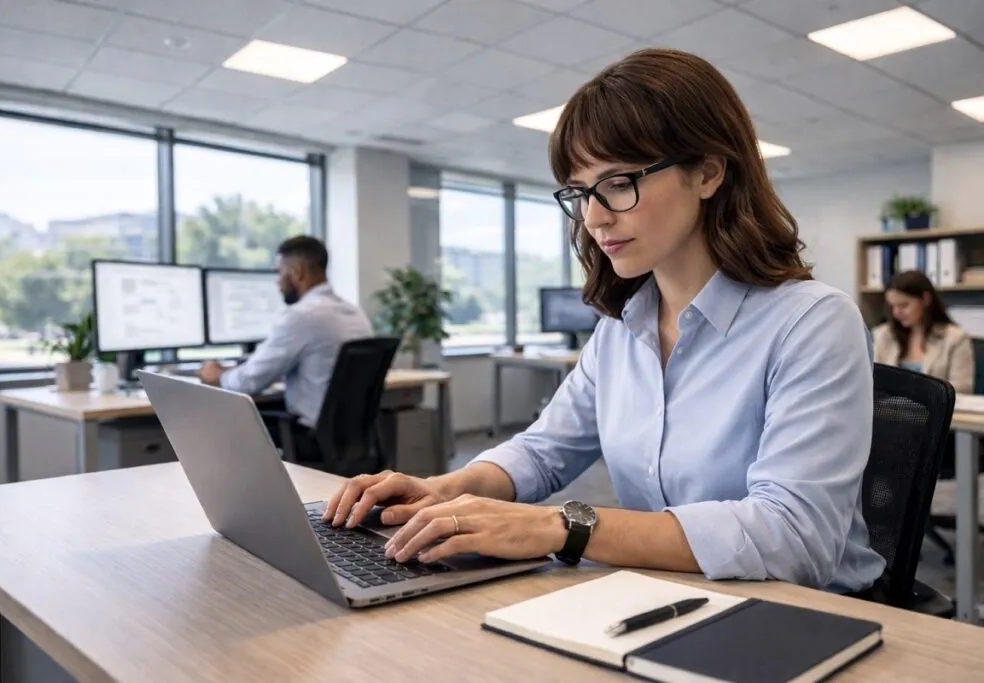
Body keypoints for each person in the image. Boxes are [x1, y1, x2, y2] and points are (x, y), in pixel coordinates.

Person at [323, 47, 885, 594]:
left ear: (708, 173)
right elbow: (543, 451)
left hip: (804, 613)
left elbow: (794, 537)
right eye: (581, 192)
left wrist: (562, 527)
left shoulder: (812, 323)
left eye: (618, 183)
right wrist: (444, 490)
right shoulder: (622, 330)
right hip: (669, 594)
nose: (593, 217)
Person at [198, 235, 373, 429]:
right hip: (350, 433)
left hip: (307, 434)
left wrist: (218, 376)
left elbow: (249, 382)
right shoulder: (355, 312)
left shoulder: (302, 315)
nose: (277, 282)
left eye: (279, 272)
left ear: (297, 273)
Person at [873, 269, 974, 393]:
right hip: (892, 405)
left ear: (926, 299)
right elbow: (875, 384)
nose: (896, 313)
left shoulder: (955, 338)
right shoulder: (883, 335)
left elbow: (962, 389)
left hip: (938, 406)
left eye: (903, 305)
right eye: (892, 306)